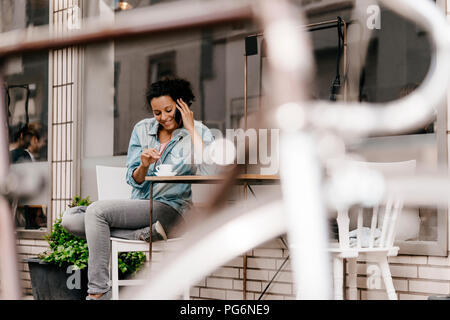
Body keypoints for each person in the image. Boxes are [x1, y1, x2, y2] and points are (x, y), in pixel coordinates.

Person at [61, 78, 217, 300]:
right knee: (70, 218)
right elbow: (133, 179)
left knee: (96, 213)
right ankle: (143, 235)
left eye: (168, 110)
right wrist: (143, 165)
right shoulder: (142, 130)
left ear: (181, 104)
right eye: (157, 113)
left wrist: (191, 130)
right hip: (141, 208)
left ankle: (97, 292)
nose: (164, 117)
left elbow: (212, 171)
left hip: (171, 209)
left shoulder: (198, 131)